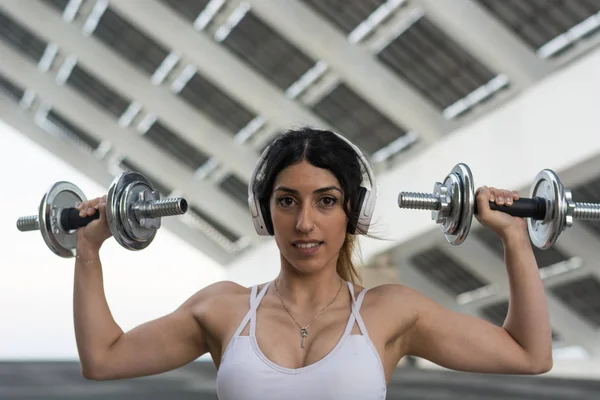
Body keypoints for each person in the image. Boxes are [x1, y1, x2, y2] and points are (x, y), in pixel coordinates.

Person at [73, 128, 552, 399]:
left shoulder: (391, 312)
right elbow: (103, 359)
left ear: (353, 213)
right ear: (265, 213)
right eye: (287, 202)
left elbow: (530, 355)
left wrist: (514, 237)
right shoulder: (223, 310)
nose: (305, 223)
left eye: (326, 201)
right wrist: (89, 251)